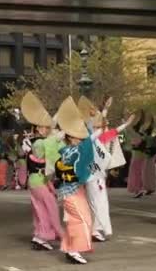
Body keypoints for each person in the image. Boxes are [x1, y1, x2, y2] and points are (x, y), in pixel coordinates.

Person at [78, 96, 134, 243]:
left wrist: (124, 124)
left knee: (95, 201)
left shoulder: (96, 138)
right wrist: (104, 111)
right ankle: (96, 230)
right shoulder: (88, 137)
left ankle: (96, 229)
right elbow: (100, 125)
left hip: (93, 173)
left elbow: (111, 131)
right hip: (93, 173)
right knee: (98, 202)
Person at [53, 97, 95, 265]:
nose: (81, 138)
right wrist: (89, 121)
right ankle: (74, 250)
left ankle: (70, 248)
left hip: (68, 189)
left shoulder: (66, 151)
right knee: (83, 219)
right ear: (71, 137)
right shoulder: (76, 150)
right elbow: (89, 142)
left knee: (74, 219)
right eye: (77, 136)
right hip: (72, 190)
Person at [20, 91, 63, 251]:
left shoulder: (37, 141)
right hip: (38, 181)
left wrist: (60, 113)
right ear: (38, 128)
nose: (47, 129)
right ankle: (52, 234)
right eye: (44, 127)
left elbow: (53, 139)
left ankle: (40, 236)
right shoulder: (39, 143)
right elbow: (52, 143)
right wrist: (62, 133)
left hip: (38, 181)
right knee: (49, 208)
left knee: (41, 209)